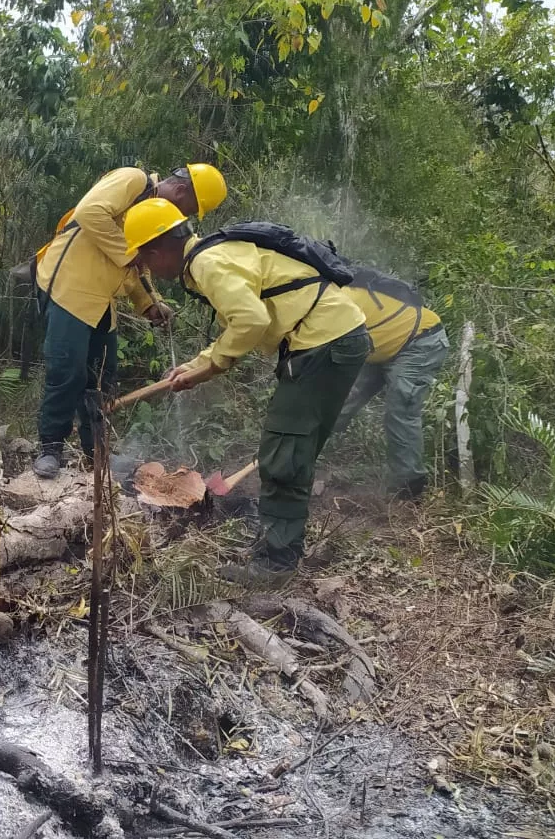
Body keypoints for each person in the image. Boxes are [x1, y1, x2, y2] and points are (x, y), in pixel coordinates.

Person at [124, 198, 370, 584]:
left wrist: (214, 366)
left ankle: (274, 565)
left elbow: (251, 320)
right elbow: (243, 318)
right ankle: (279, 548)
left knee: (284, 454)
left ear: (157, 251)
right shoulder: (212, 255)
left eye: (144, 260)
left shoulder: (207, 264)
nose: (147, 269)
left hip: (323, 344)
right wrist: (196, 364)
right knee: (291, 450)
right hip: (331, 341)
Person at [33, 163, 227, 479]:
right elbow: (89, 213)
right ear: (180, 191)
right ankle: (50, 447)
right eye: (187, 208)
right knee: (67, 371)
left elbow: (139, 265)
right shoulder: (133, 181)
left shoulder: (151, 209)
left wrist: (149, 303)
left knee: (104, 377)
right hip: (71, 287)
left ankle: (95, 451)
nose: (182, 216)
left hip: (102, 300)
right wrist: (132, 253)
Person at [336, 269, 448, 501]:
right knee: (337, 401)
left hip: (418, 341)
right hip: (381, 349)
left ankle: (409, 485)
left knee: (400, 409)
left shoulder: (339, 301)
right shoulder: (324, 296)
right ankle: (301, 455)